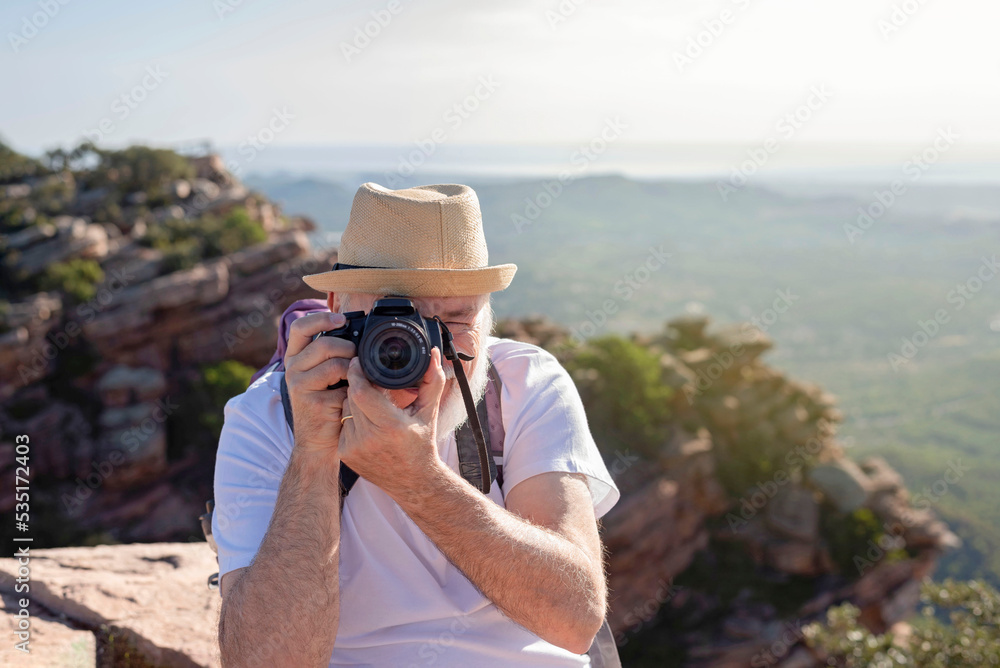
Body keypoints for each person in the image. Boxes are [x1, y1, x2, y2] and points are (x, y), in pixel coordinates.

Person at [212, 182, 620, 666]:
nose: (428, 354)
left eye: (455, 320)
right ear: (338, 308)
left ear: (487, 317)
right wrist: (314, 456)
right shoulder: (267, 416)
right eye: (394, 322)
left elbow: (576, 620)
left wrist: (419, 482)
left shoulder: (522, 385)